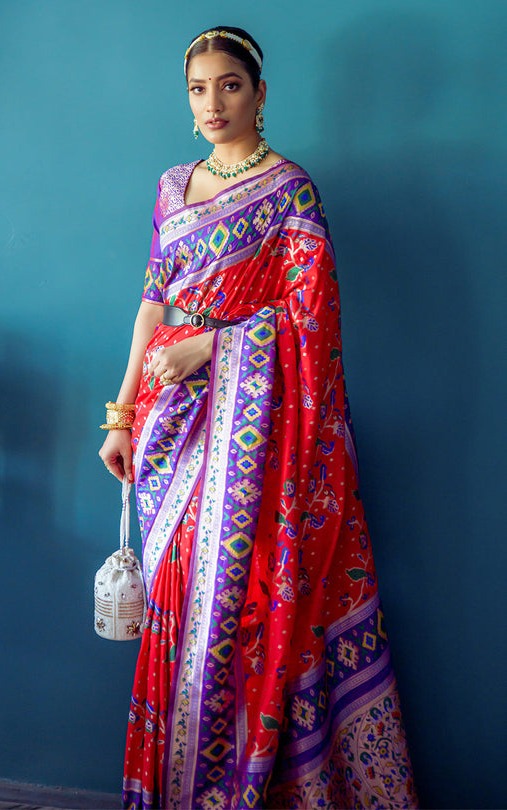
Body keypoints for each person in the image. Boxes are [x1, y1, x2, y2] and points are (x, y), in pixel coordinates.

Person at [99, 26, 418, 810]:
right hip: (169, 425)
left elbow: (312, 319)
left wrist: (211, 346)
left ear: (261, 93)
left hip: (259, 435)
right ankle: (173, 788)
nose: (213, 103)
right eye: (199, 89)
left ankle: (244, 785)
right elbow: (150, 306)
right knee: (178, 597)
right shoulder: (173, 185)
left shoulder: (290, 192)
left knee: (242, 606)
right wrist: (121, 413)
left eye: (230, 85)